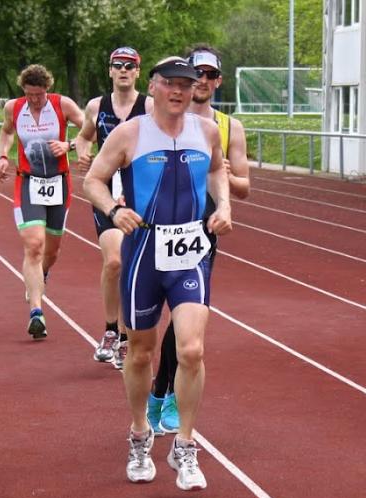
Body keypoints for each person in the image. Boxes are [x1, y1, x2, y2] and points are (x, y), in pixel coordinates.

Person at [83, 56, 231, 491]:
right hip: (144, 251)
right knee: (140, 353)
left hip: (190, 251)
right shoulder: (130, 134)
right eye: (170, 83)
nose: (179, 91)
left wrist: (223, 205)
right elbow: (93, 180)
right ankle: (139, 434)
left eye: (186, 84)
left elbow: (217, 170)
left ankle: (185, 445)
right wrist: (114, 211)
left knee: (191, 350)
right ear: (153, 86)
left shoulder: (206, 131)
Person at [146, 45, 251, 437]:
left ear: (218, 81)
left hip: (200, 228)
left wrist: (220, 172)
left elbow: (244, 186)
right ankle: (155, 388)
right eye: (196, 74)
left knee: (185, 316)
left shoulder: (227, 127)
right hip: (157, 223)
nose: (202, 81)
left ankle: (168, 393)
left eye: (209, 75)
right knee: (148, 321)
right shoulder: (163, 115)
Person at [0, 64, 84, 339]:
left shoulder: (62, 105)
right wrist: (3, 156)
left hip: (59, 183)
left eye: (39, 95)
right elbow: (7, 131)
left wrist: (69, 145)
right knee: (34, 245)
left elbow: (89, 129)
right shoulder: (13, 107)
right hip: (28, 182)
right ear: (23, 90)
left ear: (47, 89)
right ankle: (36, 312)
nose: (34, 99)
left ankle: (40, 276)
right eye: (29, 94)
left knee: (51, 252)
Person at [75, 47, 153, 367]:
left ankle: (125, 335)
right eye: (117, 65)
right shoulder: (96, 106)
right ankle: (111, 331)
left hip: (139, 193)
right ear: (109, 70)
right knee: (115, 262)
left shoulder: (149, 106)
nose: (123, 70)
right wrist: (82, 153)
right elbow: (83, 137)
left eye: (129, 66)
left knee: (135, 266)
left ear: (138, 72)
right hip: (106, 192)